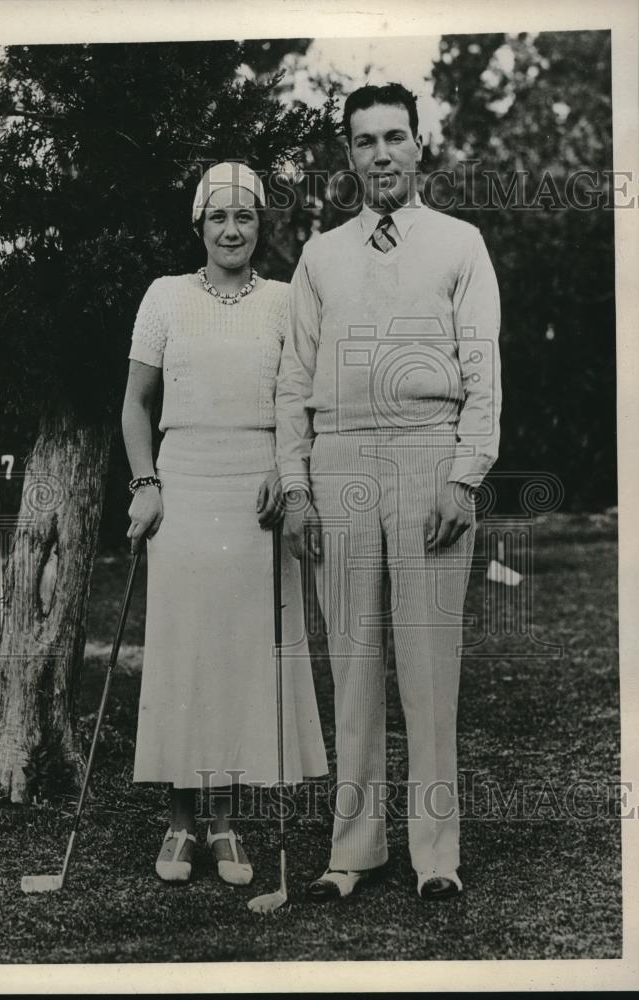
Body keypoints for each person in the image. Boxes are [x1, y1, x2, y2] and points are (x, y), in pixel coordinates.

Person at [276, 84, 501, 901]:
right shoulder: (320, 255)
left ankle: (435, 855)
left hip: (428, 461)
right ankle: (354, 849)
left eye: (394, 138)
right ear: (348, 156)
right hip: (339, 467)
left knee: (429, 670)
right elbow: (293, 379)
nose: (380, 154)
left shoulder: (459, 245)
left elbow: (484, 373)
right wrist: (297, 490)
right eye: (364, 141)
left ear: (419, 146)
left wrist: (464, 474)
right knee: (356, 665)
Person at [122, 162, 327, 887]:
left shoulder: (283, 300)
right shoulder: (165, 298)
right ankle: (180, 822)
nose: (232, 230)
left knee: (244, 655)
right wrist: (145, 483)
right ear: (199, 224)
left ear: (260, 224)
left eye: (245, 217)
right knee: (186, 653)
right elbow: (135, 405)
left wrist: (286, 466)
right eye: (218, 218)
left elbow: (297, 399)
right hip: (183, 488)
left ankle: (225, 822)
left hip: (256, 492)